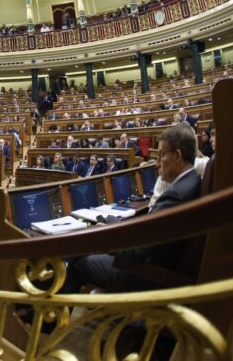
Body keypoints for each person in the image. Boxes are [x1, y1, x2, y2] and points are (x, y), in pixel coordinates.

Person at [63, 123, 202, 293]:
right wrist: (116, 226)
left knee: (79, 261)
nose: (157, 163)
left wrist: (106, 238)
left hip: (145, 276)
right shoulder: (192, 183)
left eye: (161, 156)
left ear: (178, 156)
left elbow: (137, 251)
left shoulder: (176, 196)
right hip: (154, 266)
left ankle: (53, 318)